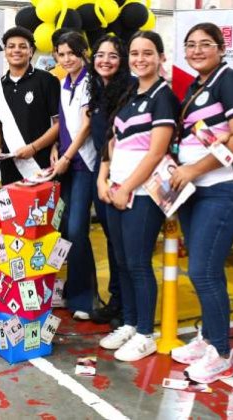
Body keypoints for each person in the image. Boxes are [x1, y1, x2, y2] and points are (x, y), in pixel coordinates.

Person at [165, 23, 233, 384]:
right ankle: (209, 339)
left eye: (206, 44)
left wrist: (193, 169)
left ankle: (220, 352)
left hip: (224, 187)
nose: (197, 50)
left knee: (203, 269)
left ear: (221, 49)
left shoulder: (231, 81)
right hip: (195, 190)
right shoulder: (196, 86)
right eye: (191, 45)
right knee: (205, 269)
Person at [96, 31, 180, 362]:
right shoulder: (130, 93)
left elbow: (156, 153)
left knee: (137, 262)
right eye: (134, 53)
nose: (140, 59)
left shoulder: (163, 97)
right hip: (116, 188)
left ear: (160, 57)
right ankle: (130, 323)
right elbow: (112, 141)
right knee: (121, 261)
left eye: (148, 53)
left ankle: (146, 332)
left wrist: (128, 187)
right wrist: (104, 179)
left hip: (143, 193)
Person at [50, 32, 97, 320]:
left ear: (83, 53)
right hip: (65, 163)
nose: (67, 58)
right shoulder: (64, 83)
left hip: (83, 164)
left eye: (72, 53)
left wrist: (68, 156)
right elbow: (64, 124)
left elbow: (86, 126)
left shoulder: (89, 81)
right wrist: (56, 147)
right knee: (67, 228)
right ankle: (77, 289)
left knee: (78, 228)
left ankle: (83, 298)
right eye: (62, 53)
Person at [87, 35, 129, 327]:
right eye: (100, 55)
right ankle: (117, 301)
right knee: (112, 242)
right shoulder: (97, 90)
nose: (105, 60)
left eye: (112, 56)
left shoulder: (128, 90)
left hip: (122, 176)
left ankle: (127, 308)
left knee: (123, 245)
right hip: (101, 174)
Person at [0, 26, 60, 185]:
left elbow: (59, 125)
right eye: (11, 46)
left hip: (42, 166)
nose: (16, 50)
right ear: (5, 51)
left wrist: (33, 148)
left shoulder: (47, 80)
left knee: (41, 210)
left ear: (31, 51)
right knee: (13, 210)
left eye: (22, 46)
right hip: (9, 167)